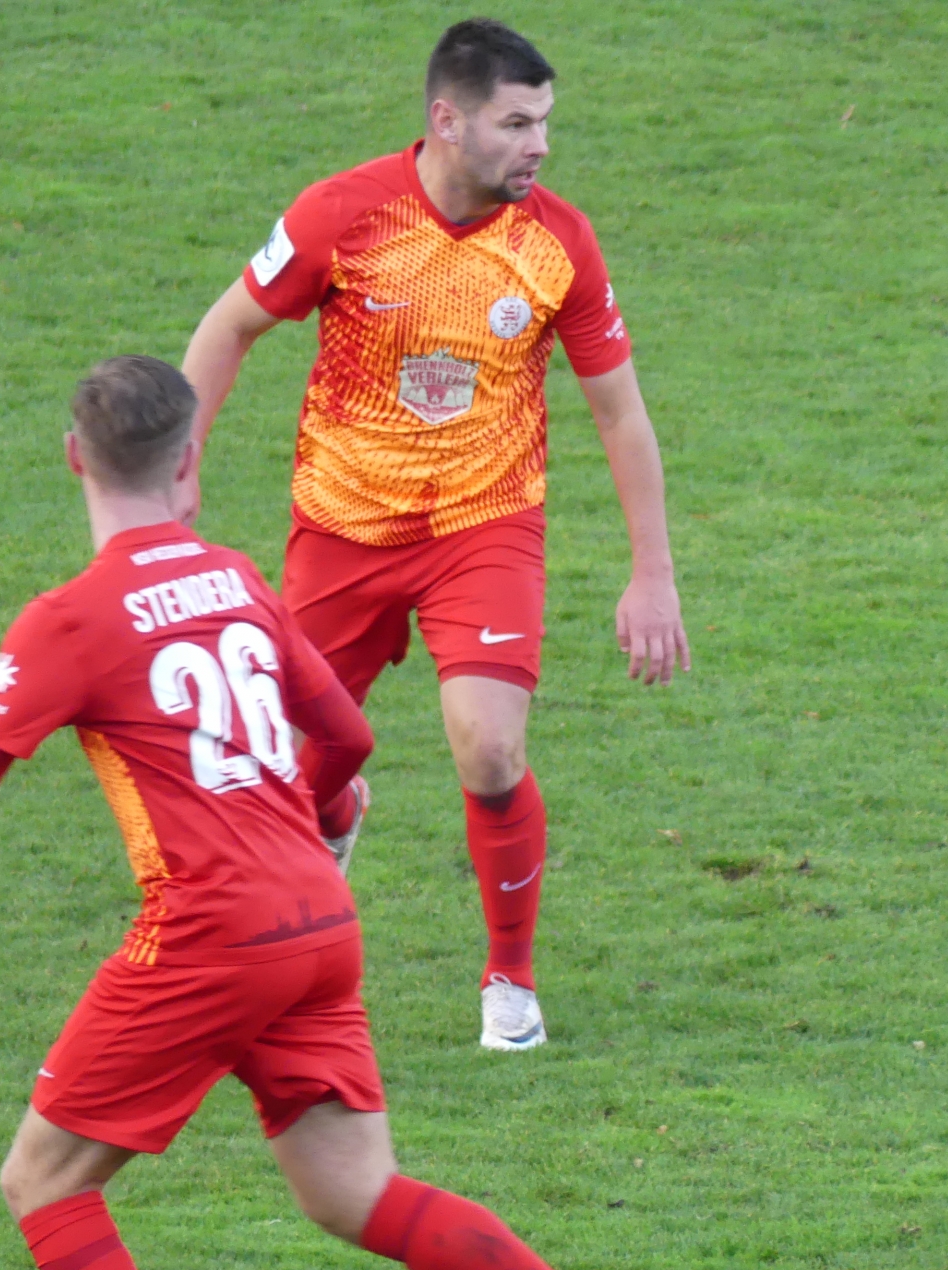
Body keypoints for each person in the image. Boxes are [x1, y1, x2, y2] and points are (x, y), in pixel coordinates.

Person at [0, 356, 676, 1270]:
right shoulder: (239, 580)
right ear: (190, 459)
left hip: (209, 934)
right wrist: (318, 814)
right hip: (319, 925)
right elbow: (348, 739)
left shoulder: (69, 620)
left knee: (44, 1183)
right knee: (356, 1194)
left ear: (73, 459)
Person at [181, 18, 690, 1051]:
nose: (539, 145)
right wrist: (178, 465)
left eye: (545, 122)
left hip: (482, 525)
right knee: (287, 774)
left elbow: (620, 412)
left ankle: (511, 981)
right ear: (448, 121)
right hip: (343, 526)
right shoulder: (343, 214)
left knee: (490, 749)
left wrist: (653, 573)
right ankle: (336, 814)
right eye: (517, 124)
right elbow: (228, 326)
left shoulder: (558, 242)